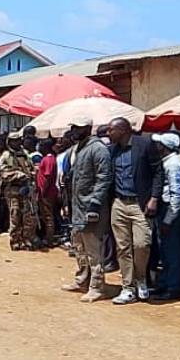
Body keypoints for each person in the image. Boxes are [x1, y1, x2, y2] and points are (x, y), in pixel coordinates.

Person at [107, 117, 163, 305]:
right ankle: (128, 287)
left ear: (122, 130)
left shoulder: (145, 144)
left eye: (111, 130)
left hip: (140, 204)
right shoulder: (112, 150)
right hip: (119, 203)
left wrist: (154, 197)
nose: (108, 133)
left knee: (142, 244)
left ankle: (141, 279)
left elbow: (158, 172)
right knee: (122, 247)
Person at [62, 117, 114, 302]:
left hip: (91, 208)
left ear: (88, 128)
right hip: (77, 207)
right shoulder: (78, 149)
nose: (74, 131)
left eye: (78, 128)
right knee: (79, 246)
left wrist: (95, 204)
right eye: (73, 127)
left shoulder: (98, 149)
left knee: (93, 250)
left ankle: (97, 286)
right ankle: (82, 279)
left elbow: (104, 178)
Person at [150, 133, 180, 300]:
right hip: (163, 211)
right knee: (164, 249)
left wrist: (168, 220)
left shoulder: (173, 164)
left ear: (164, 147)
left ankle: (173, 287)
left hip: (169, 212)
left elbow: (176, 194)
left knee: (172, 251)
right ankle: (164, 283)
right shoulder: (165, 162)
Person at [0, 131, 37, 250]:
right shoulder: (6, 155)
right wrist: (18, 175)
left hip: (26, 189)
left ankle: (27, 239)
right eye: (13, 140)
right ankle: (15, 240)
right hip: (13, 189)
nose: (16, 142)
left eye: (18, 140)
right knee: (15, 214)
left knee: (28, 215)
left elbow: (31, 168)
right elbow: (2, 172)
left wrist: (32, 174)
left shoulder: (25, 153)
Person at [36, 138, 59, 247]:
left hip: (47, 193)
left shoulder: (48, 159)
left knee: (48, 216)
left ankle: (49, 239)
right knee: (46, 215)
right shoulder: (48, 158)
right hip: (46, 192)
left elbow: (48, 176)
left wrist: (43, 191)